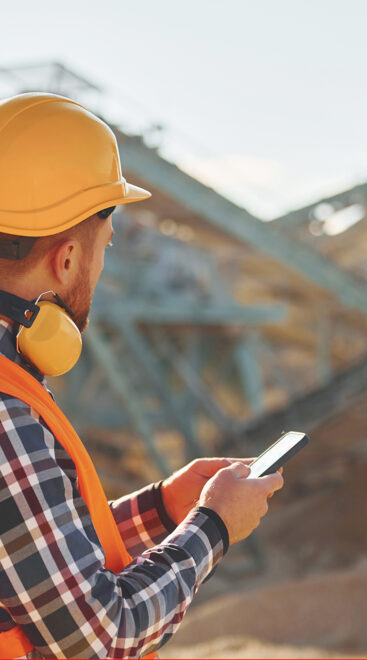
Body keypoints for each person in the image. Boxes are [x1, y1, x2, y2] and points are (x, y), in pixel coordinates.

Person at [0, 93, 284, 659]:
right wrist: (214, 525)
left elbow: (33, 563)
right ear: (67, 260)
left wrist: (160, 510)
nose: (101, 268)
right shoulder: (7, 412)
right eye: (103, 247)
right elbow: (103, 636)